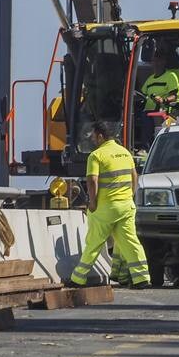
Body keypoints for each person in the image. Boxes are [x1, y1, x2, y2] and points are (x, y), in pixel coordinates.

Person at [69, 121, 151, 289]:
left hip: (106, 207)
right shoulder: (125, 153)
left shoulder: (96, 155)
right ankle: (142, 278)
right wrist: (130, 196)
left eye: (93, 135)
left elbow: (92, 181)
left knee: (94, 243)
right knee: (130, 241)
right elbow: (134, 176)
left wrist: (92, 203)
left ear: (100, 135)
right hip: (126, 205)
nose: (92, 138)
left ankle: (78, 279)